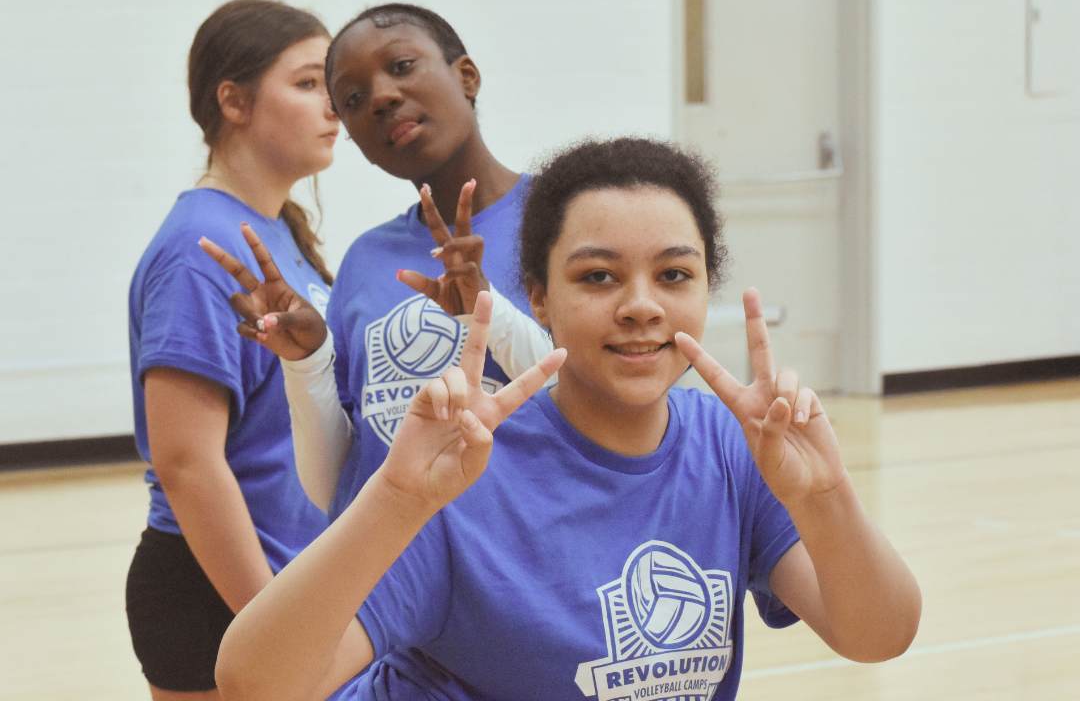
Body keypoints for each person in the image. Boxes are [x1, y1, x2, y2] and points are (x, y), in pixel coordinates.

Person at [213, 137, 922, 700]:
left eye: (674, 275)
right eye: (598, 276)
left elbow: (877, 635)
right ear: (538, 299)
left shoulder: (732, 451)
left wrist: (824, 496)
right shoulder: (463, 478)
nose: (641, 304)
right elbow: (256, 684)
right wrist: (398, 500)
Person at [201, 2, 552, 523]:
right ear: (356, 142)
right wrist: (307, 363)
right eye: (354, 99)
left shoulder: (569, 217)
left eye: (403, 66)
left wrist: (487, 309)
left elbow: (606, 408)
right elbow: (337, 489)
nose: (383, 97)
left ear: (467, 77)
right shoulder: (366, 261)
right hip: (401, 589)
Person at [125, 0, 362, 700]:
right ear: (234, 100)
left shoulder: (272, 229)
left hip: (285, 582)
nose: (335, 106)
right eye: (307, 82)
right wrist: (273, 624)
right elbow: (186, 462)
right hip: (219, 591)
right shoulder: (201, 248)